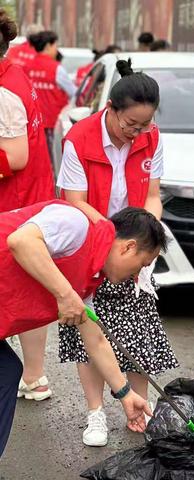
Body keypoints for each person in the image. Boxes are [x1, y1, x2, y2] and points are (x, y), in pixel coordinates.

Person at [57, 58, 178, 447]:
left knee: (137, 331)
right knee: (89, 331)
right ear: (110, 109)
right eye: (131, 125)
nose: (138, 133)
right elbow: (74, 201)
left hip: (134, 246)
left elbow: (153, 196)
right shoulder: (79, 138)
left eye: (145, 125)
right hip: (92, 243)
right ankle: (95, 414)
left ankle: (137, 408)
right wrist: (114, 236)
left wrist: (149, 235)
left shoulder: (151, 138)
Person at [0, 201, 165, 457]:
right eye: (142, 265)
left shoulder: (88, 279)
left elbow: (97, 341)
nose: (137, 276)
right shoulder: (75, 224)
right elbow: (21, 241)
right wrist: (65, 294)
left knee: (6, 372)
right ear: (128, 247)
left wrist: (125, 394)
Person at [0, 9, 56, 404]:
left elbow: (14, 156)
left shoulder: (4, 91)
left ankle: (34, 376)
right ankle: (34, 376)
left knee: (20, 288)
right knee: (27, 287)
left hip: (15, 202)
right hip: (28, 197)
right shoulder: (12, 74)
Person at [26, 30, 76, 161]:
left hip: (32, 122)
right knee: (52, 160)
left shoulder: (27, 66)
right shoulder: (56, 68)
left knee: (35, 159)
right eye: (55, 46)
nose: (56, 49)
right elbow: (74, 93)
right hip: (52, 124)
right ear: (48, 46)